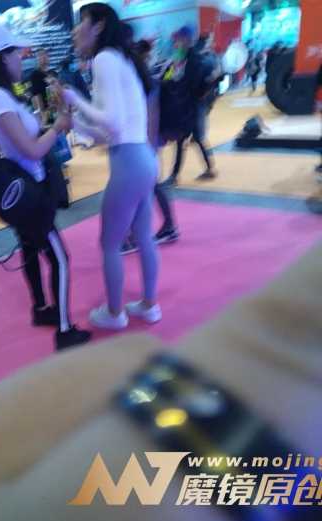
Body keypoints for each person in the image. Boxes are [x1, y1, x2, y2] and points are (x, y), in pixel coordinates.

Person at [0, 24, 91, 350]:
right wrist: (58, 127)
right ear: (2, 57)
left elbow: (28, 135)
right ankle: (65, 330)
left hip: (27, 189)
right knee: (60, 259)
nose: (21, 58)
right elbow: (31, 149)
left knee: (29, 250)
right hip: (30, 194)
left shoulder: (1, 94)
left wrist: (52, 116)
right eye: (16, 52)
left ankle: (41, 309)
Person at [55, 3, 161, 330]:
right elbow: (108, 132)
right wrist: (75, 122)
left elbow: (111, 124)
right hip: (143, 159)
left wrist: (74, 100)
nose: (75, 30)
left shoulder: (104, 59)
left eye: (80, 22)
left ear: (98, 26)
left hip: (129, 163)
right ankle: (149, 305)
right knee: (143, 237)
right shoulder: (120, 59)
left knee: (110, 243)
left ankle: (115, 314)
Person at [122, 38, 179, 254]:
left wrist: (147, 148)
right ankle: (165, 227)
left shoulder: (145, 85)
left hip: (145, 145)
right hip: (145, 144)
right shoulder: (147, 83)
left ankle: (134, 235)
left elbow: (151, 117)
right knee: (148, 186)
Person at [165, 27, 218, 185]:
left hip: (192, 106)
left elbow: (196, 84)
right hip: (190, 105)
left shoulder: (194, 59)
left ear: (186, 40)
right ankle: (209, 169)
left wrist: (175, 83)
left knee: (185, 139)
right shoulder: (183, 57)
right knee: (196, 139)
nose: (175, 43)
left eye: (178, 40)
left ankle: (175, 176)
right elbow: (172, 76)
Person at [30, 48, 51, 125]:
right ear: (37, 59)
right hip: (45, 113)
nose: (44, 57)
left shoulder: (50, 74)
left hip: (53, 109)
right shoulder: (35, 75)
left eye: (45, 54)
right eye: (40, 55)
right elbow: (36, 96)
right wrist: (42, 116)